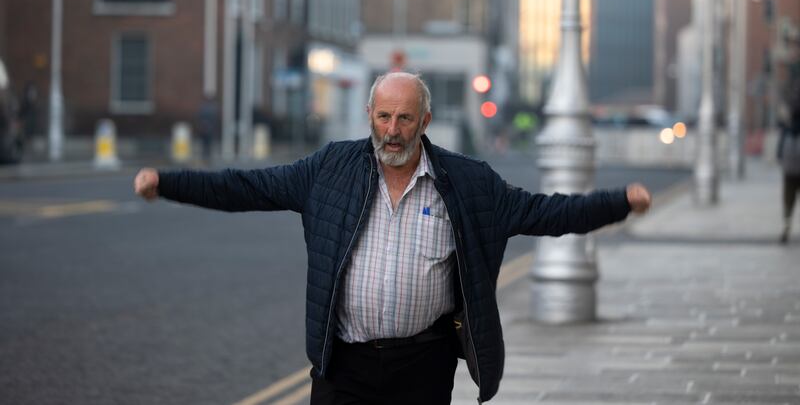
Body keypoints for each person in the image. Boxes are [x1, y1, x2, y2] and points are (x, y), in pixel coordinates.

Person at [134, 72, 652, 404]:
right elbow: (247, 186)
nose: (393, 130)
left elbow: (543, 213)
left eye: (405, 118)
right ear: (369, 117)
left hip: (421, 368)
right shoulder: (329, 170)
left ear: (424, 121)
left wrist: (617, 202)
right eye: (384, 116)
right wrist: (169, 182)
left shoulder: (467, 183)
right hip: (344, 367)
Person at [777, 80, 800, 244]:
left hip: (790, 168)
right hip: (791, 165)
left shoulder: (789, 126)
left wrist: (780, 158)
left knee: (788, 200)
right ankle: (786, 226)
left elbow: (780, 147)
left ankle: (786, 226)